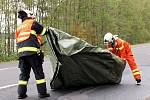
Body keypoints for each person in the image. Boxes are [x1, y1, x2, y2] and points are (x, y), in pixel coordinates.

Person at [16, 10, 50, 99]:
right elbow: (43, 31)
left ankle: (21, 94)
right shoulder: (32, 23)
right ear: (30, 15)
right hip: (32, 53)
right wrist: (48, 29)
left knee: (24, 74)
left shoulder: (19, 27)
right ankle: (42, 93)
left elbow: (21, 40)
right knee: (39, 73)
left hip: (22, 55)